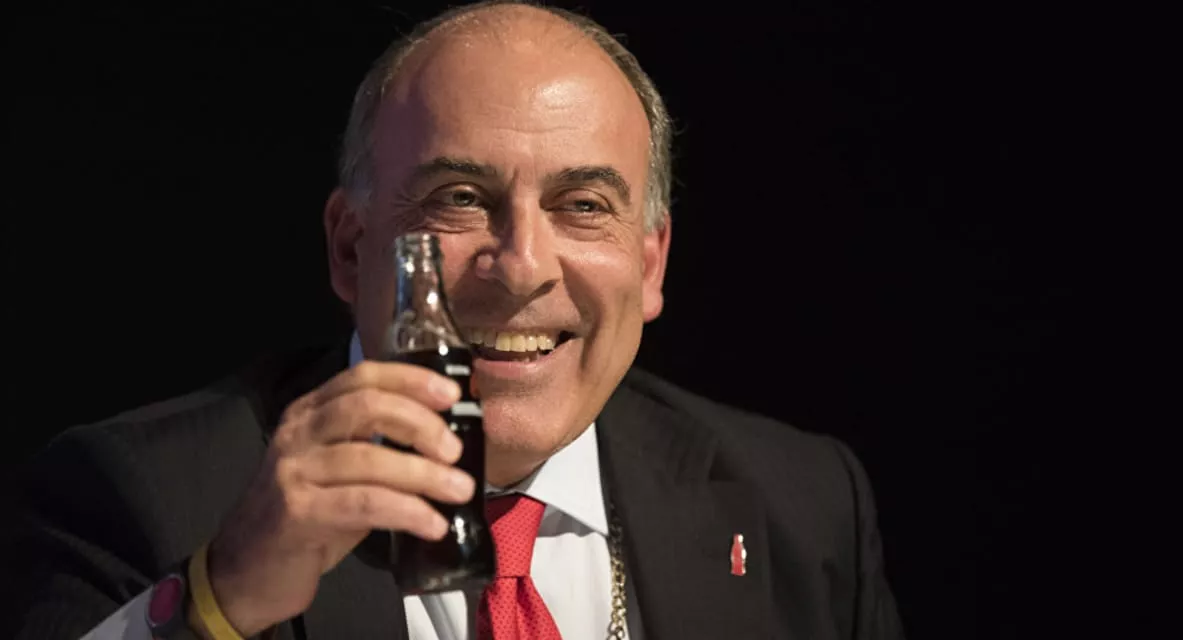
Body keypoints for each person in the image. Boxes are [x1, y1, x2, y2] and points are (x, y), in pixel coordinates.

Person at [5, 1, 904, 639]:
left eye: (583, 206)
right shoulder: (144, 500)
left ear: (649, 263)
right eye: (460, 198)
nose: (521, 266)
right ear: (350, 249)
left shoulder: (802, 505)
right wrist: (218, 602)